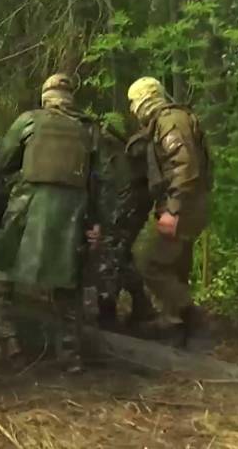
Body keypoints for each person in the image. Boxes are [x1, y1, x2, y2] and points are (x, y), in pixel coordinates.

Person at [0, 73, 100, 371]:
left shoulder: (30, 121)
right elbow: (98, 181)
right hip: (74, 212)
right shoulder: (88, 130)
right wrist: (95, 221)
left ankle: (8, 341)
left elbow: (0, 163)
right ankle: (70, 354)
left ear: (46, 97)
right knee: (68, 281)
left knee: (0, 265)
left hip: (28, 206)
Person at [126, 77, 212, 348]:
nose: (132, 109)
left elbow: (185, 166)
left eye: (133, 102)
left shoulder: (170, 121)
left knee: (148, 261)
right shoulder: (167, 120)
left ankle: (193, 318)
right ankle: (180, 331)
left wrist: (172, 210)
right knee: (176, 267)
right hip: (188, 203)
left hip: (182, 205)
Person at [91, 118, 156, 329]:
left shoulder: (105, 151)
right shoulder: (114, 149)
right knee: (121, 253)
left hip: (123, 204)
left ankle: (108, 312)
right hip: (133, 202)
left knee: (111, 253)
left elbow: (106, 185)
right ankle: (142, 306)